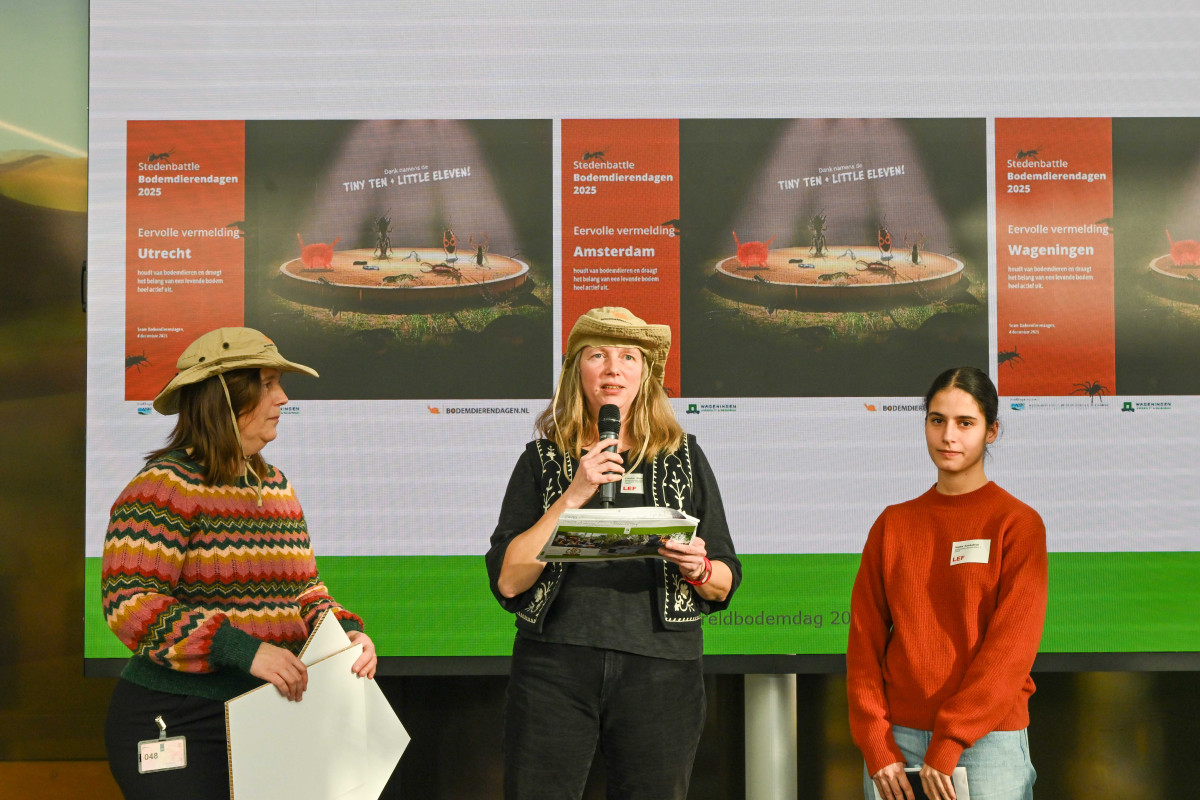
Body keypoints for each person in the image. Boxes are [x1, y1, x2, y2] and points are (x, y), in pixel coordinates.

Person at [102, 327, 377, 800]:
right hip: (177, 718)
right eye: (268, 384)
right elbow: (130, 603)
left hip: (268, 718)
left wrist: (344, 633)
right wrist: (243, 650)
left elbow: (304, 592)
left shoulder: (277, 487)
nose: (283, 398)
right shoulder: (162, 488)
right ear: (225, 397)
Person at [486, 307, 741, 800]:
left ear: (645, 374)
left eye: (628, 357)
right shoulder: (542, 459)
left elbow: (725, 579)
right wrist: (573, 494)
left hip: (662, 667)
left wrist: (699, 567)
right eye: (597, 355)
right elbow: (509, 580)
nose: (612, 368)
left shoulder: (684, 456)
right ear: (576, 370)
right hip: (554, 666)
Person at [847, 366, 1048, 800]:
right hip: (897, 745)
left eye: (965, 423)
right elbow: (864, 642)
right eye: (937, 420)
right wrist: (876, 743)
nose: (948, 436)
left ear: (992, 431)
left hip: (987, 742)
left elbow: (1011, 650)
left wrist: (950, 739)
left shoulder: (1017, 524)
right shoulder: (893, 524)